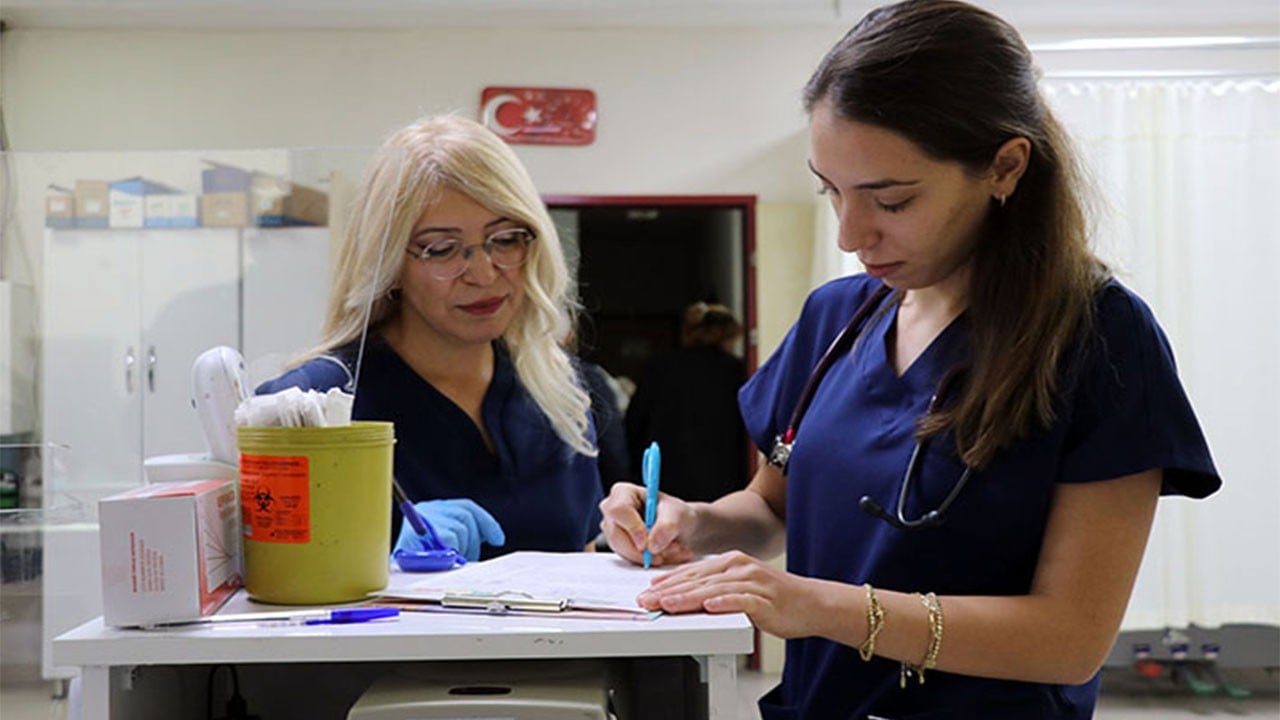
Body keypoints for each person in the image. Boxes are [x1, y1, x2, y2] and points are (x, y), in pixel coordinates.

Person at [598, 2, 1222, 718]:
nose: (850, 234)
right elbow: (770, 508)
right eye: (830, 191)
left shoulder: (1098, 338)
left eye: (890, 201)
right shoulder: (837, 318)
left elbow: (1070, 639)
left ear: (1005, 167)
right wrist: (690, 524)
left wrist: (820, 606)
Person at [257, 114, 602, 562]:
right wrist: (385, 571)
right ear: (389, 265)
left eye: (505, 239)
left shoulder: (555, 391)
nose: (483, 274)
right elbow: (264, 584)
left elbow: (583, 558)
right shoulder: (314, 406)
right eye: (441, 249)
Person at [625, 302, 747, 502]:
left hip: (667, 474)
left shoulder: (660, 368)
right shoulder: (737, 371)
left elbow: (635, 422)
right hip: (722, 476)